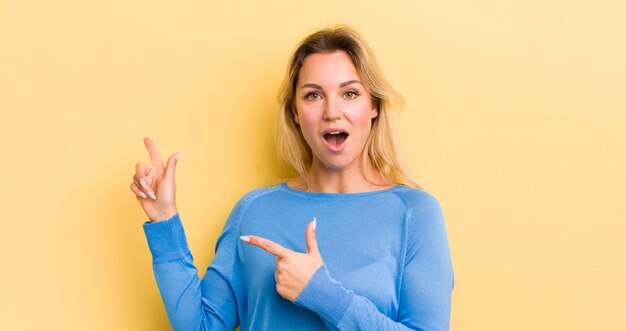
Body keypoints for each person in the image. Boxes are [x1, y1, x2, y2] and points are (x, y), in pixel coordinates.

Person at [130, 25, 454, 330]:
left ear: (374, 107)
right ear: (296, 114)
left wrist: (322, 294)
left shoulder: (415, 213)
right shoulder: (254, 211)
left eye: (350, 94)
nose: (331, 112)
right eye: (313, 95)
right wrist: (164, 222)